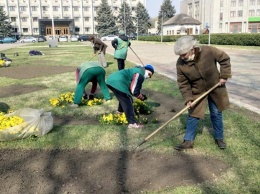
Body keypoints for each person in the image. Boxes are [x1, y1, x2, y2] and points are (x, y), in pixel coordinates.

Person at [173, 35, 232, 150]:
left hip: (215, 87)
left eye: (184, 54)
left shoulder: (208, 51)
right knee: (193, 114)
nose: (182, 57)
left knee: (216, 113)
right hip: (197, 91)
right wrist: (188, 98)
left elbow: (224, 59)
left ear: (192, 49)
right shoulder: (180, 64)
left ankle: (219, 138)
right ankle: (188, 141)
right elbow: (183, 83)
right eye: (179, 55)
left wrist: (224, 76)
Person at [106, 64, 154, 128]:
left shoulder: (137, 70)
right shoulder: (140, 74)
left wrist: (139, 95)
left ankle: (119, 112)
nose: (149, 77)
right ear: (146, 70)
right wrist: (141, 97)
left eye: (150, 76)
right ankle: (132, 123)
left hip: (111, 80)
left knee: (124, 96)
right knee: (128, 100)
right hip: (118, 82)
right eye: (149, 74)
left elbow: (131, 89)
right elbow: (134, 91)